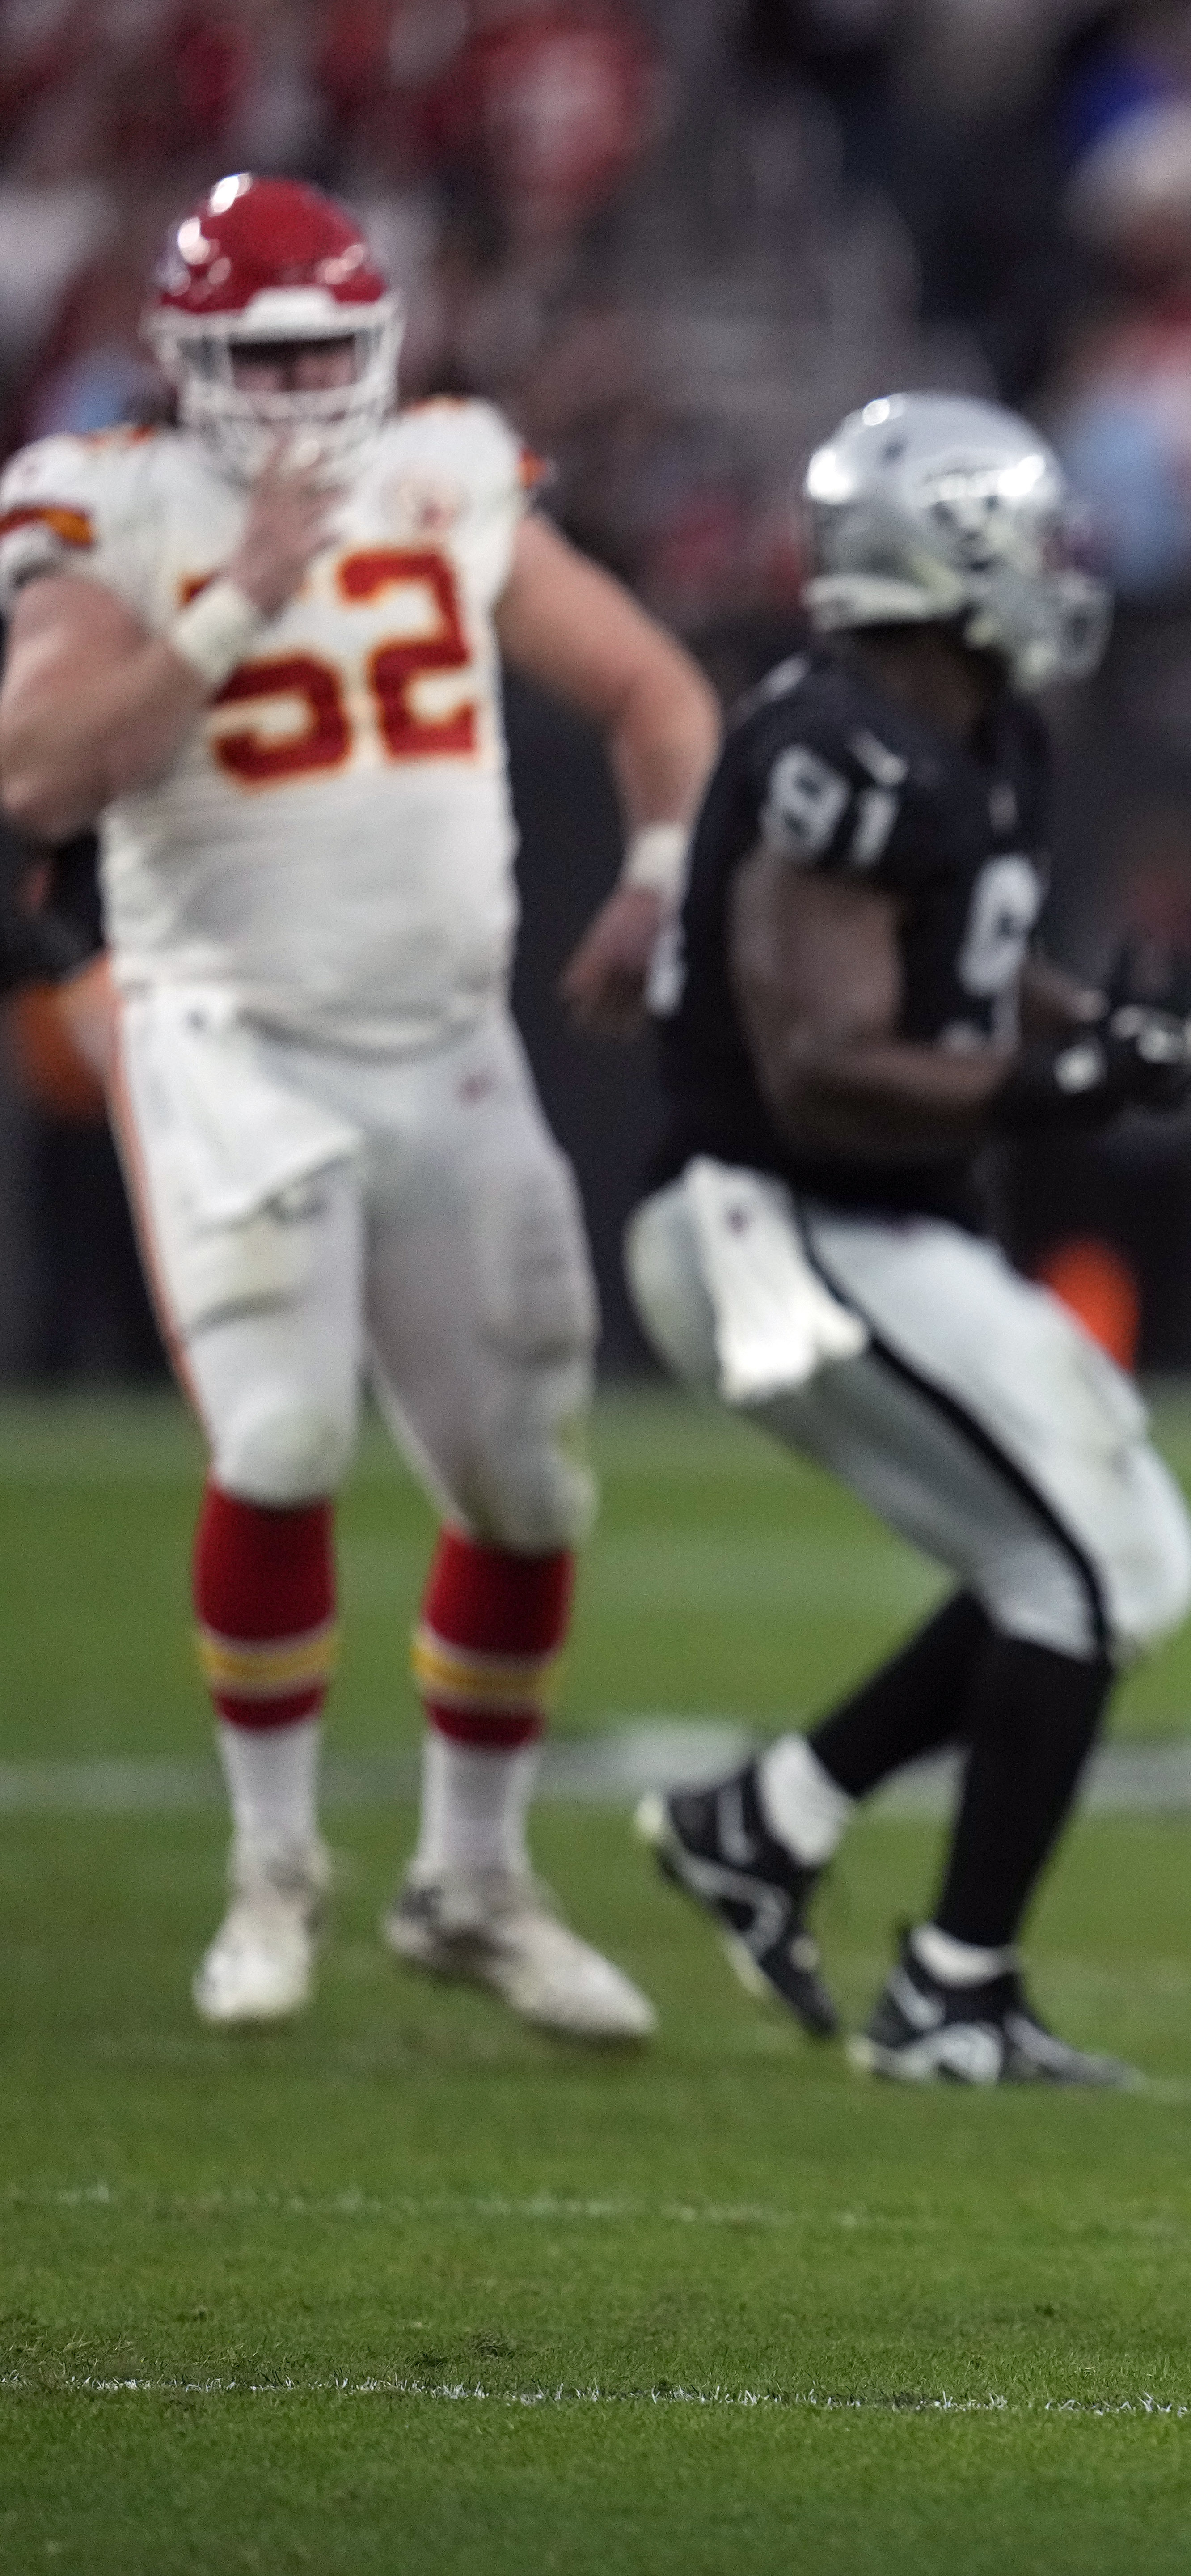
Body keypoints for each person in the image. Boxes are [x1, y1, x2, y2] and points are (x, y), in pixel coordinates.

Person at [0, 174, 718, 2039]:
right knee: (283, 1437)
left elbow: (654, 688)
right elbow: (37, 773)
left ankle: (471, 1880)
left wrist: (656, 872)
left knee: (531, 1485)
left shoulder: (446, 471)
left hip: (449, 1043)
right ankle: (273, 1869)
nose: (306, 387)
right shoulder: (106, 507)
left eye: (331, 348)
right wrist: (235, 601)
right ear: (184, 360)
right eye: (267, 357)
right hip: (230, 1037)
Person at [625, 394, 1191, 2086]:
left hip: (881, 1222)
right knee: (1080, 1570)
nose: (1059, 572)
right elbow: (820, 1060)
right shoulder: (839, 754)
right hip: (771, 1219)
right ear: (933, 562)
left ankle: (771, 1818)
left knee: (1127, 1563)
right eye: (1028, 541)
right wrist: (1054, 1081)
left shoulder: (980, 732)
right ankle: (951, 1991)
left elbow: (968, 958)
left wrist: (1095, 1029)